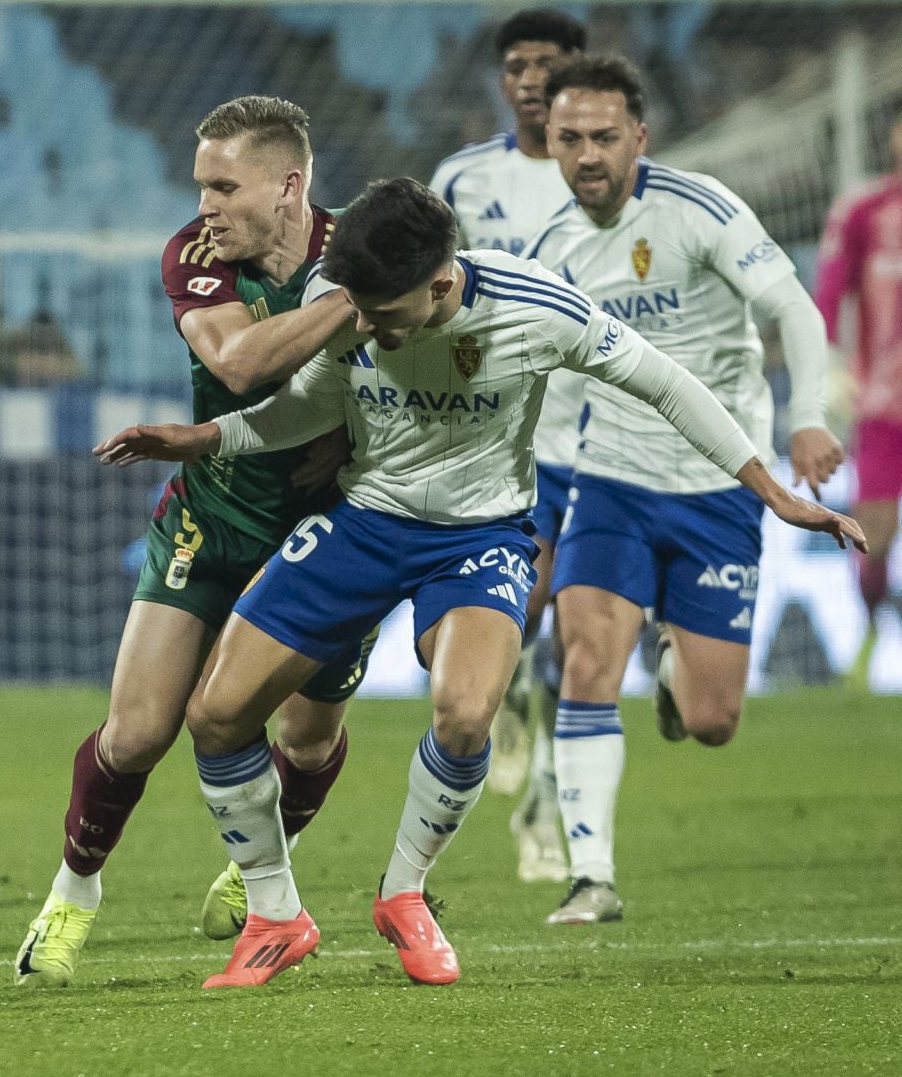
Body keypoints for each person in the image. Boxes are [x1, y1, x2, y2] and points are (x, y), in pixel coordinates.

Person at [94, 177, 863, 988]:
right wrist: (205, 438)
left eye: (383, 315)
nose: (367, 329)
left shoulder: (539, 309)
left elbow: (667, 384)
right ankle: (276, 913)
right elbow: (308, 406)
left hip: (480, 537)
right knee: (215, 716)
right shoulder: (346, 294)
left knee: (465, 711)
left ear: (439, 283)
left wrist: (774, 493)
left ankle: (404, 893)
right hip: (365, 522)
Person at [12, 96, 369, 987]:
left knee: (309, 739)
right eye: (199, 185)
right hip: (211, 518)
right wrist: (363, 304)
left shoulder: (363, 249)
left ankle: (266, 875)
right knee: (135, 735)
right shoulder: (199, 257)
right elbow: (240, 367)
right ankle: (72, 894)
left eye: (223, 186)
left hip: (327, 537)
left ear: (289, 187)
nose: (203, 206)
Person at [528, 55, 845, 924]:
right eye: (569, 138)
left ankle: (671, 663)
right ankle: (591, 877)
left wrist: (808, 417)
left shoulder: (699, 208)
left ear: (639, 135)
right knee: (584, 659)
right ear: (549, 144)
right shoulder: (551, 251)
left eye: (603, 136)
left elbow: (797, 310)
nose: (587, 153)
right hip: (613, 479)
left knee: (713, 721)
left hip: (722, 484)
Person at [428, 8, 589, 882]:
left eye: (547, 64)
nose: (530, 79)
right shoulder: (463, 178)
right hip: (497, 433)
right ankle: (520, 714)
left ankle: (548, 805)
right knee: (528, 612)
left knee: (578, 621)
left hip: (592, 427)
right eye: (517, 66)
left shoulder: (604, 174)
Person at [815, 105, 902, 685]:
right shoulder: (865, 209)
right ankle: (870, 628)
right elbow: (826, 295)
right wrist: (829, 367)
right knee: (873, 537)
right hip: (883, 404)